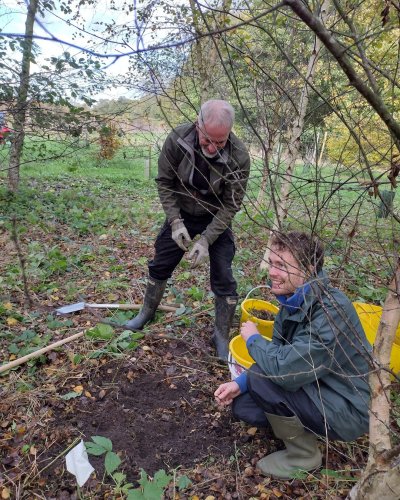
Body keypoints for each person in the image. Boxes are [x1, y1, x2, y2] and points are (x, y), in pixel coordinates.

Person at [214, 231, 370, 479]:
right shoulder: (293, 300)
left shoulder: (332, 310)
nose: (272, 273)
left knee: (261, 379)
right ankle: (301, 429)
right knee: (245, 406)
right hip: (317, 384)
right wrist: (238, 383)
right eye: (272, 263)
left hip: (348, 406)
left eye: (282, 266)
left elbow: (286, 370)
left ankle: (304, 456)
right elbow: (279, 350)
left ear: (308, 269)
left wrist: (253, 339)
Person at [125, 99, 250, 359]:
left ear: (229, 133)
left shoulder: (239, 156)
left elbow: (231, 204)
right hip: (181, 211)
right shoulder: (178, 139)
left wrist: (206, 240)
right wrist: (175, 221)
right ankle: (146, 313)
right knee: (160, 263)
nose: (213, 148)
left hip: (215, 216)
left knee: (225, 277)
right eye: (207, 141)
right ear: (198, 125)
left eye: (220, 142)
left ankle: (221, 335)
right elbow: (165, 182)